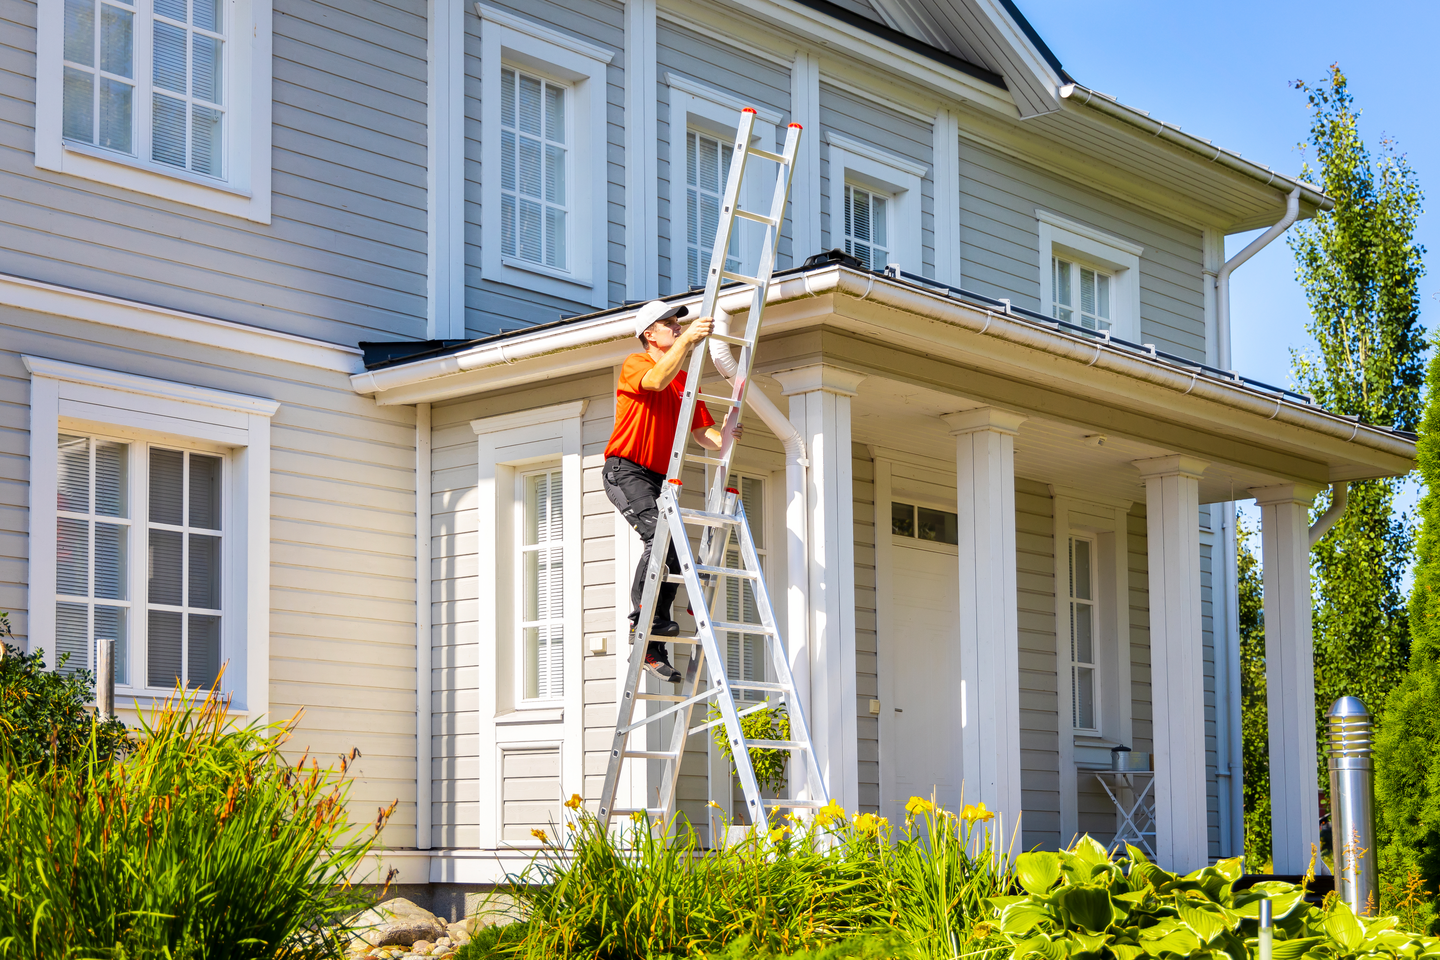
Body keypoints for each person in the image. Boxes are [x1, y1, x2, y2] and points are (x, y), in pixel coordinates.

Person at [602, 299, 741, 682]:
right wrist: (688, 342)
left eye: (679, 324)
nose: (678, 328)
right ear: (650, 333)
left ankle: (652, 648)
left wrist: (726, 435)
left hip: (659, 478)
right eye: (670, 324)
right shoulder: (637, 364)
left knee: (675, 555)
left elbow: (703, 435)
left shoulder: (684, 382)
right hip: (626, 470)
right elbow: (655, 381)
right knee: (659, 538)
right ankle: (641, 622)